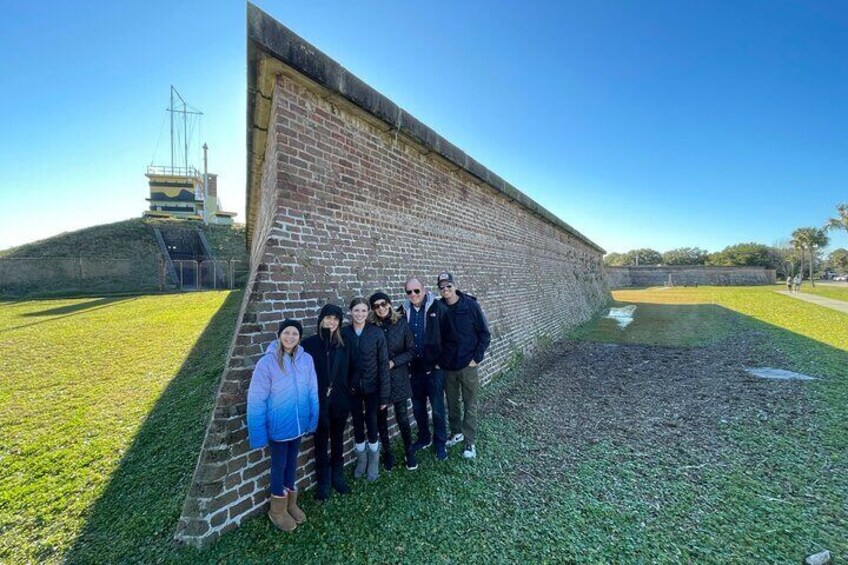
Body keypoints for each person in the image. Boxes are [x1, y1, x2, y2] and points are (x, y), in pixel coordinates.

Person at [246, 319, 318, 532]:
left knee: (292, 464)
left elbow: (312, 391)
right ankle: (277, 509)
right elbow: (256, 399)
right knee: (279, 466)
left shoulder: (306, 360)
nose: (290, 337)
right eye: (286, 333)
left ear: (299, 337)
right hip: (278, 427)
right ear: (279, 335)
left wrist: (311, 419)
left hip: (298, 426)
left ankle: (291, 503)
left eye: (294, 334)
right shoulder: (266, 363)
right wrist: (258, 434)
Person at [301, 304, 352, 501]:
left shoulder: (344, 344)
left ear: (339, 323)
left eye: (335, 319)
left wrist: (349, 390)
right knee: (320, 442)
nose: (331, 322)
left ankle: (337, 476)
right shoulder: (309, 345)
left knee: (337, 439)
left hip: (340, 401)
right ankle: (323, 481)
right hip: (318, 402)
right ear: (321, 319)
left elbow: (353, 369)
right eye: (328, 318)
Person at [437, 272, 491, 460]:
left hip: (468, 365)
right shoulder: (439, 307)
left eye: (448, 286)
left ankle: (470, 441)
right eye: (442, 287)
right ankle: (456, 432)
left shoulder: (470, 305)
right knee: (452, 403)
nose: (446, 290)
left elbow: (484, 334)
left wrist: (476, 358)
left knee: (470, 403)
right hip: (448, 366)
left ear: (455, 285)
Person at [400, 276, 449, 462]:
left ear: (424, 290)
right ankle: (424, 438)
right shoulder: (403, 311)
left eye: (416, 291)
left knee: (437, 408)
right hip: (414, 370)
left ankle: (440, 443)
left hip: (434, 369)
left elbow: (450, 338)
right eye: (409, 292)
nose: (413, 295)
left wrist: (440, 362)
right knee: (418, 408)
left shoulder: (438, 308)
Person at [342, 297, 390, 481]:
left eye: (363, 310)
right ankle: (361, 460)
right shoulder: (345, 333)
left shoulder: (376, 333)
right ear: (351, 312)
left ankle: (373, 461)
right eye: (356, 310)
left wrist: (384, 396)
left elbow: (383, 364)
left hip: (373, 387)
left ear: (368, 312)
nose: (360, 314)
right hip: (353, 387)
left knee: (371, 422)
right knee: (357, 423)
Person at [369, 291, 417, 471]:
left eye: (383, 304)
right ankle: (387, 452)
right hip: (379, 379)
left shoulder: (401, 323)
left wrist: (393, 362)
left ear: (389, 304)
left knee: (402, 418)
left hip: (398, 377)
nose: (380, 308)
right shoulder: (371, 327)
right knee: (381, 418)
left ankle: (409, 451)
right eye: (376, 306)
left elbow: (411, 351)